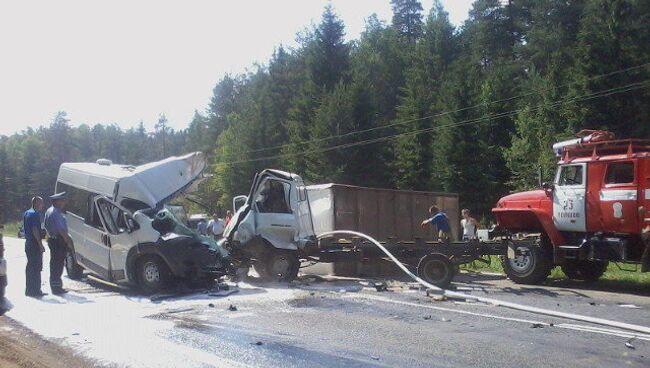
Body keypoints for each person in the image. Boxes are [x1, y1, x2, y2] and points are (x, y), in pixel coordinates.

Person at [44, 192, 72, 295]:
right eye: (62, 200)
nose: (64, 202)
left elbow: (46, 226)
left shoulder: (49, 211)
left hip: (53, 239)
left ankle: (55, 285)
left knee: (55, 264)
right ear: (57, 201)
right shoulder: (55, 212)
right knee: (58, 264)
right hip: (58, 240)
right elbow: (61, 230)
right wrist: (67, 241)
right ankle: (56, 288)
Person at [23, 196, 46, 297]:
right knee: (36, 267)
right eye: (41, 203)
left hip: (28, 242)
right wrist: (40, 244)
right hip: (34, 243)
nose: (42, 205)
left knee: (30, 267)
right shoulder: (34, 214)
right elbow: (34, 230)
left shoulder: (27, 212)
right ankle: (36, 290)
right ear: (36, 203)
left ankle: (29, 289)